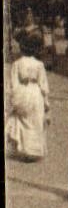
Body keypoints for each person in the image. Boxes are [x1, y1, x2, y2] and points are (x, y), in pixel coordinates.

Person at [6, 30, 51, 162]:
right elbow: (43, 85)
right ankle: (35, 150)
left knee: (23, 119)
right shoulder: (39, 65)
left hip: (22, 92)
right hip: (36, 93)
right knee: (35, 120)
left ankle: (25, 149)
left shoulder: (17, 64)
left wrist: (13, 98)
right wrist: (46, 102)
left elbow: (12, 84)